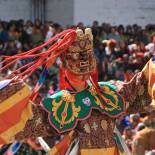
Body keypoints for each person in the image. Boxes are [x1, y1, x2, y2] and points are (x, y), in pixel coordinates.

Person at [0, 28, 155, 155]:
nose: (83, 61)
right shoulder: (61, 101)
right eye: (76, 56)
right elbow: (29, 122)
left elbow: (140, 88)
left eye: (87, 55)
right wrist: (7, 92)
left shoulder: (110, 91)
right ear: (65, 65)